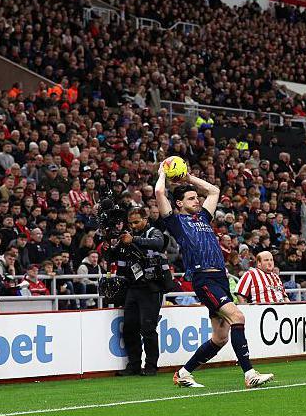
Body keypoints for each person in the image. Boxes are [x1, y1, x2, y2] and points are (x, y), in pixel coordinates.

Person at [155, 164, 273, 388]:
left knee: (220, 338)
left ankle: (183, 373)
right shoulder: (175, 222)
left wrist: (189, 177)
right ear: (179, 203)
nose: (196, 201)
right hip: (204, 279)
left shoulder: (202, 217)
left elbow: (214, 191)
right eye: (191, 198)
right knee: (237, 317)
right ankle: (249, 374)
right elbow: (159, 192)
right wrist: (163, 172)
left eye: (196, 198)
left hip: (220, 278)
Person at [114, 207, 174, 377]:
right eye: (131, 223)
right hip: (133, 287)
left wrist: (133, 239)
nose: (133, 226)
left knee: (148, 328)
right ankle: (133, 365)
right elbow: (116, 257)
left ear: (145, 219)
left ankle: (151, 365)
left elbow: (158, 243)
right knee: (129, 327)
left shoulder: (154, 232)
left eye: (136, 222)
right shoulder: (126, 236)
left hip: (151, 287)